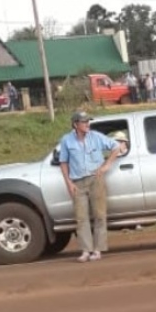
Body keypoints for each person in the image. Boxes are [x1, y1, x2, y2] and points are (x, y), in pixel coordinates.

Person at [57, 111, 121, 263]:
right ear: (75, 124)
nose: (87, 124)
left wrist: (106, 166)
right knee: (81, 218)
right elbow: (63, 162)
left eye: (88, 121)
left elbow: (116, 147)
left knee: (100, 215)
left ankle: (98, 250)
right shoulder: (66, 140)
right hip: (77, 182)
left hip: (95, 179)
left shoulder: (96, 137)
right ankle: (86, 250)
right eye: (84, 122)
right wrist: (69, 183)